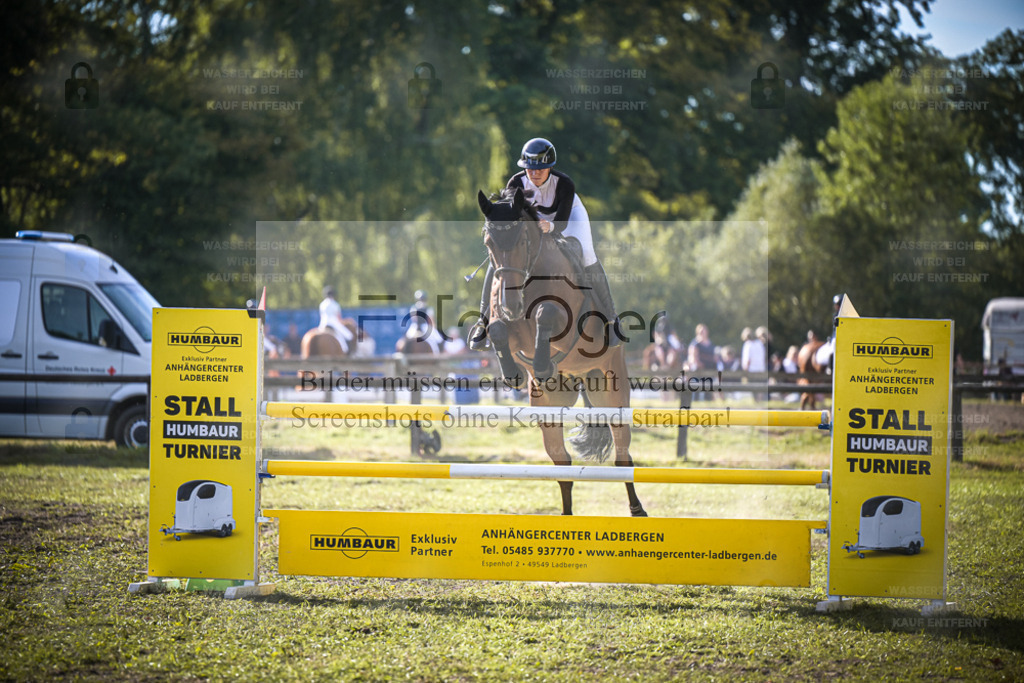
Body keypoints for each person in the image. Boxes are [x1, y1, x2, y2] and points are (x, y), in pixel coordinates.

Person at [468, 137, 621, 350]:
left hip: (566, 218)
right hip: (533, 221)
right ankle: (482, 321)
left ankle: (611, 319)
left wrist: (550, 227)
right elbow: (511, 217)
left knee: (587, 254)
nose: (534, 173)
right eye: (530, 169)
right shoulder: (515, 183)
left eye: (540, 169)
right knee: (500, 260)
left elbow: (563, 221)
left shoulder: (564, 184)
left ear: (550, 167)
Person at [318, 286, 354, 353]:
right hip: (333, 323)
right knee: (349, 335)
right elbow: (339, 318)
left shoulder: (322, 304)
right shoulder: (335, 304)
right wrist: (347, 321)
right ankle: (345, 350)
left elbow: (321, 316)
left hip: (323, 324)